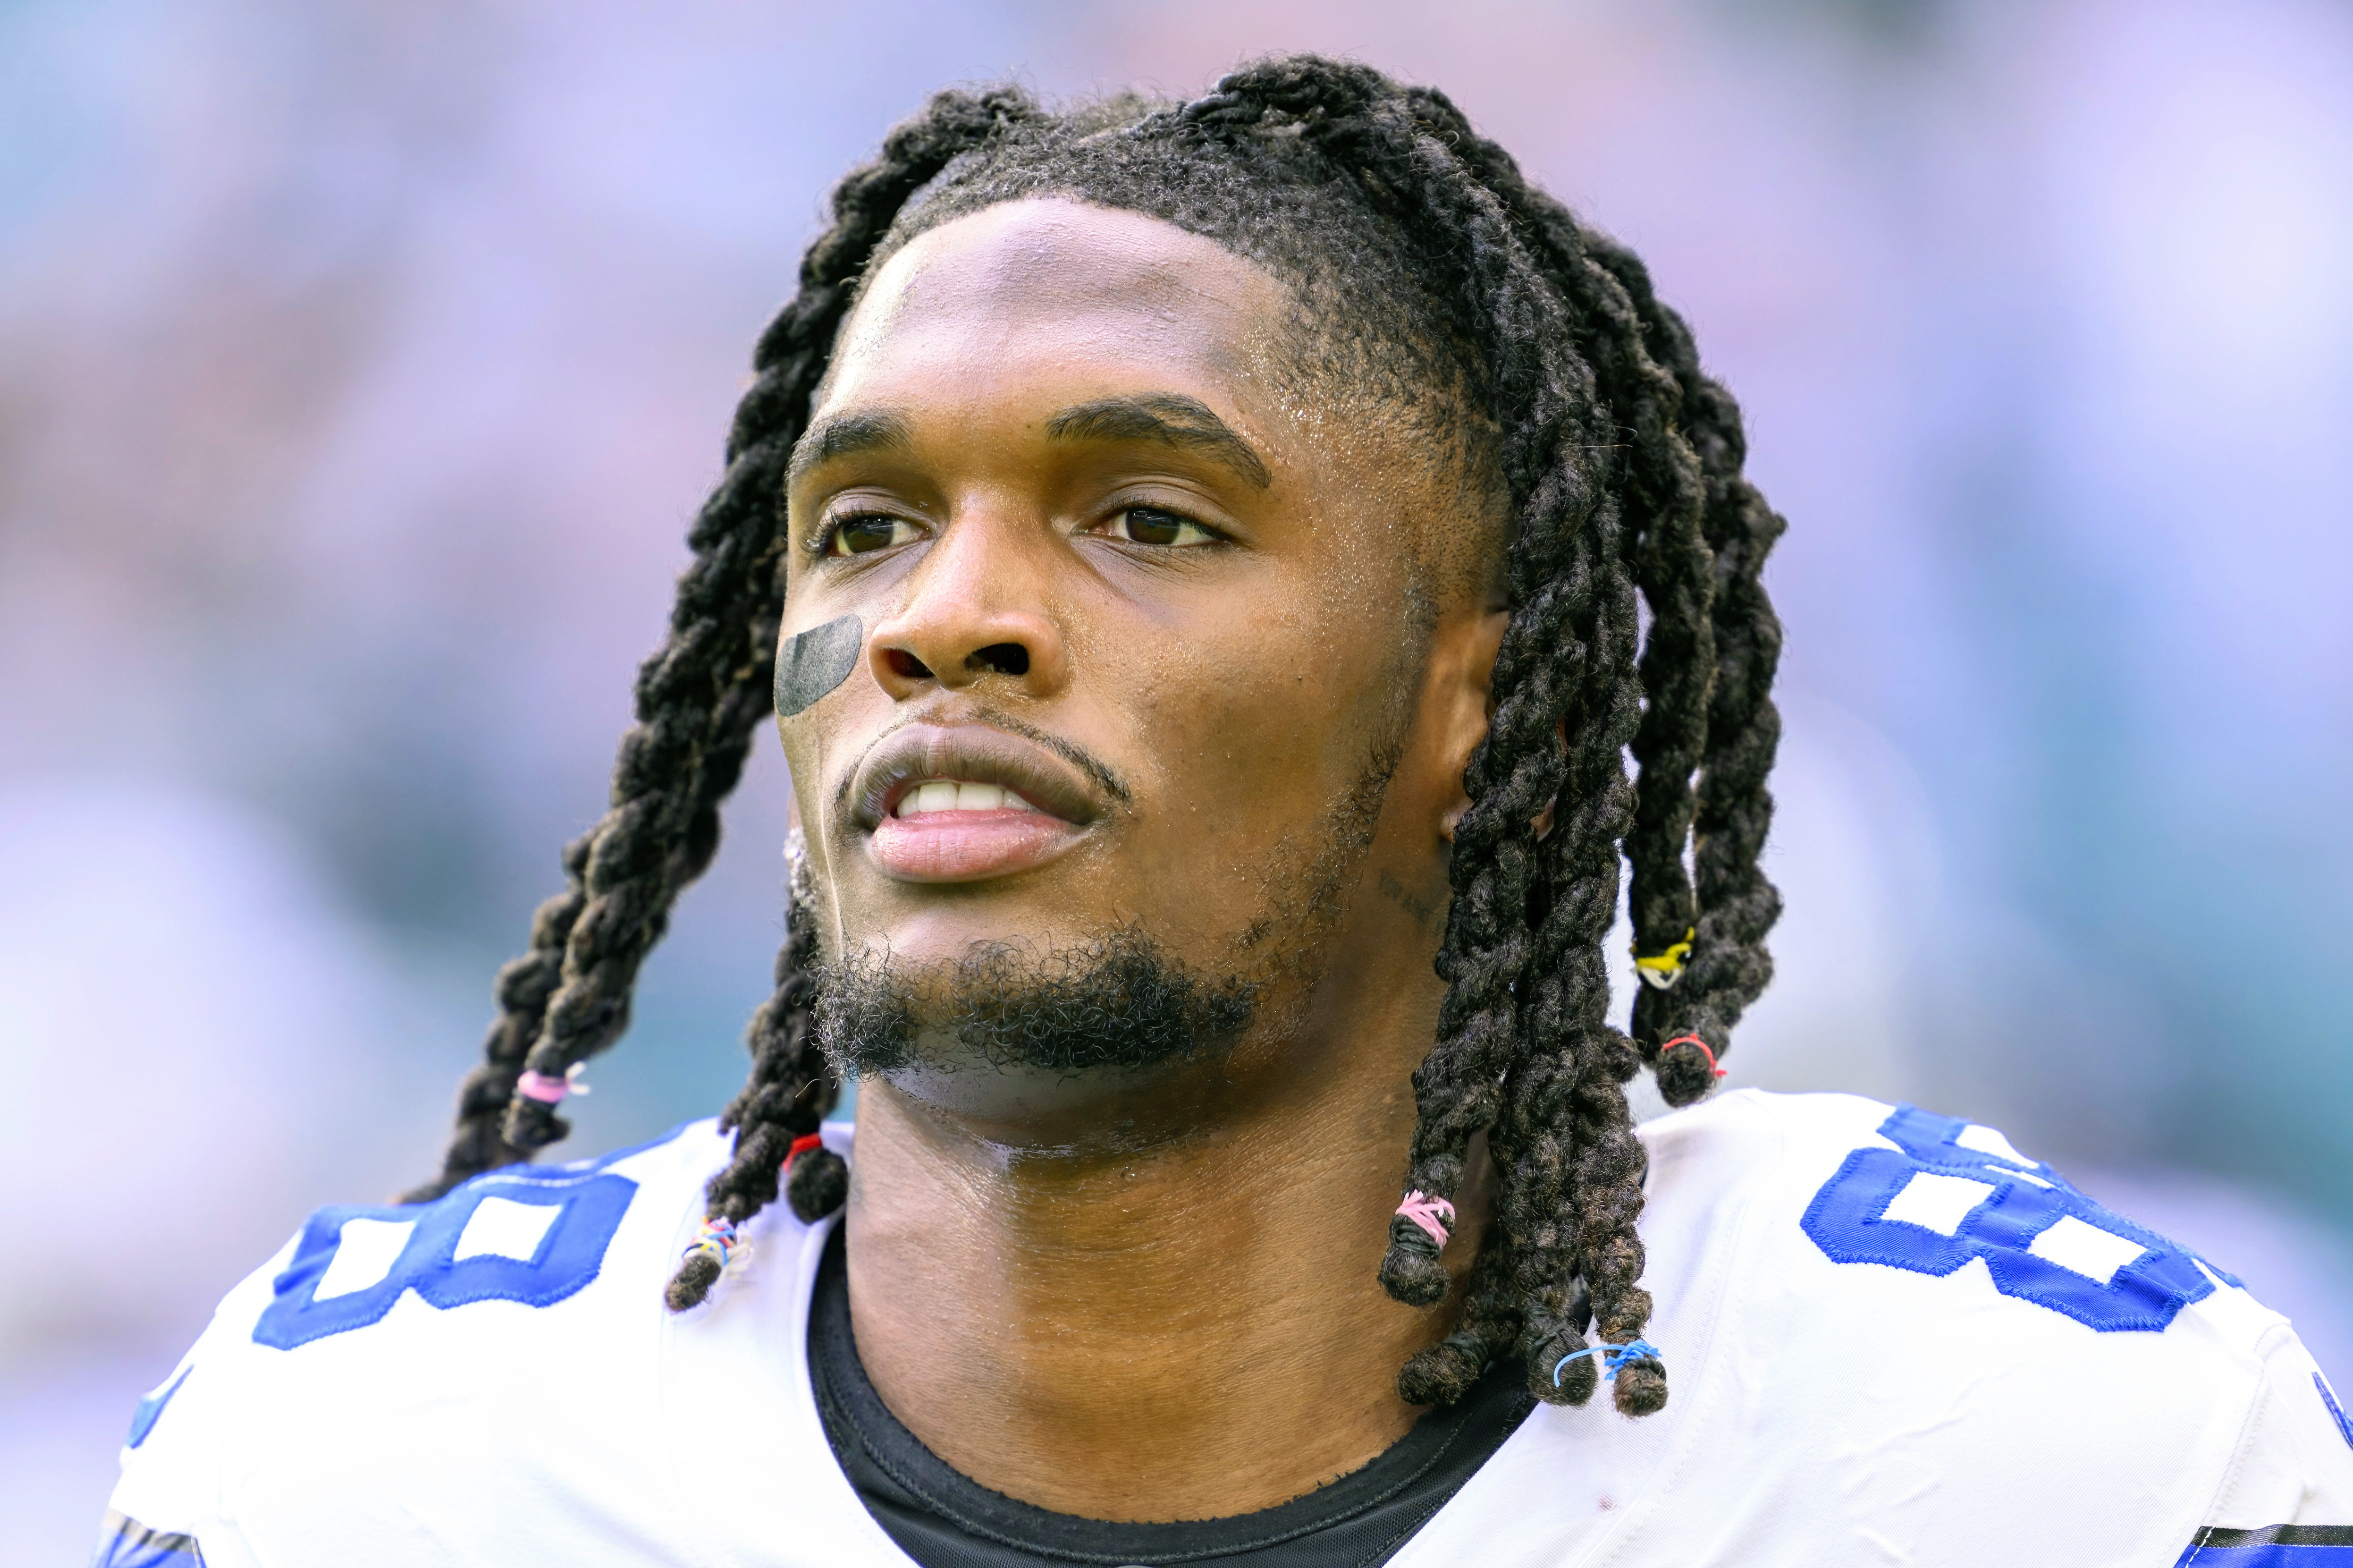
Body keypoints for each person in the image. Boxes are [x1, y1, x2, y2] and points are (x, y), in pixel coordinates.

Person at [95, 56, 2353, 1568]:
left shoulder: (2048, 1460)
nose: (944, 621)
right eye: (865, 528)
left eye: (1149, 519)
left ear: (1482, 696)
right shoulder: (367, 1473)